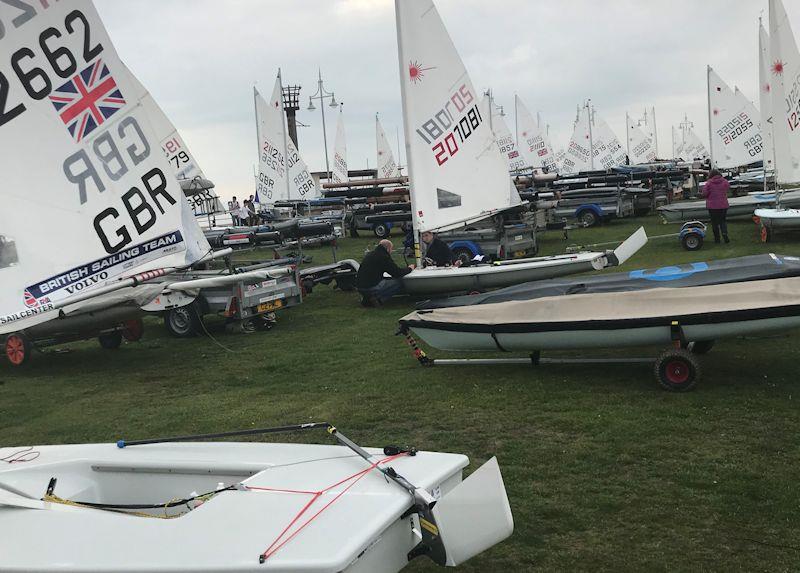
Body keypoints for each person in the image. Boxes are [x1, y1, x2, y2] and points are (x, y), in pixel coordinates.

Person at [356, 239, 415, 306]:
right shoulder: (384, 256)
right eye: (391, 250)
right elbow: (397, 273)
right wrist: (410, 268)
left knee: (387, 281)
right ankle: (379, 299)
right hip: (371, 286)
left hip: (360, 286)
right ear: (388, 248)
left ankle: (368, 298)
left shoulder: (370, 254)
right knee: (400, 281)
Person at [702, 169, 730, 243]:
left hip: (712, 206)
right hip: (723, 205)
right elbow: (727, 188)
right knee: (723, 221)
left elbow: (704, 193)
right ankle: (725, 235)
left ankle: (717, 239)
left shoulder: (709, 183)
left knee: (714, 223)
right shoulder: (724, 181)